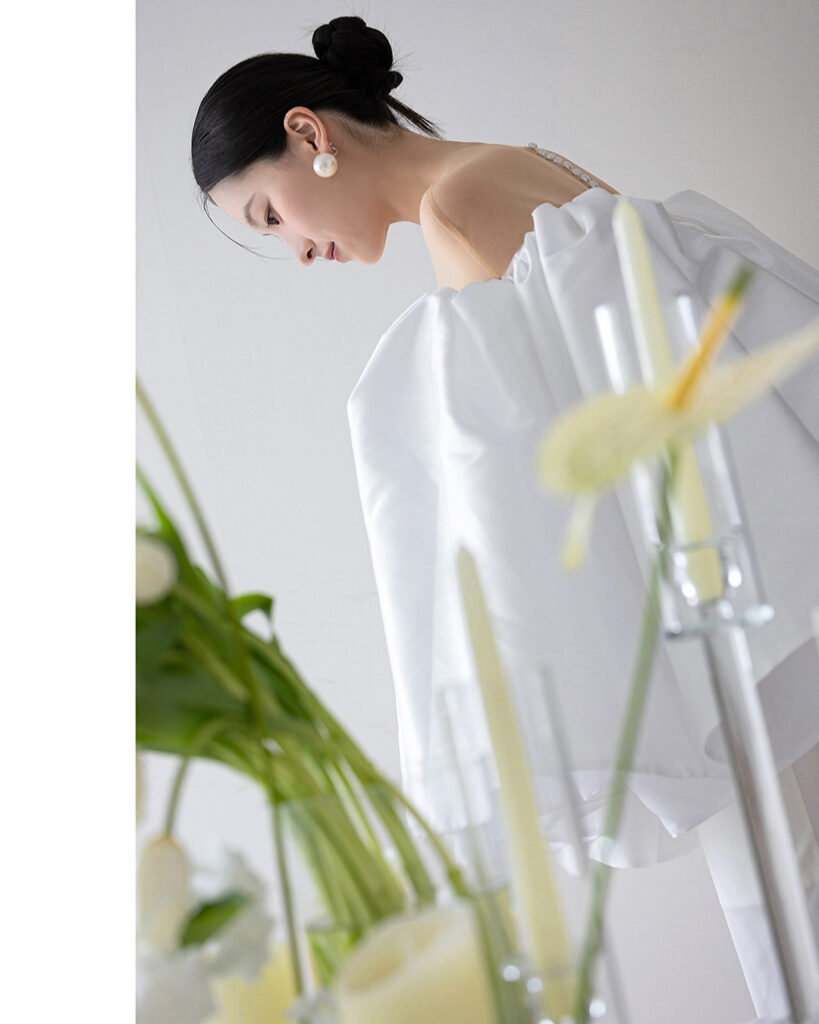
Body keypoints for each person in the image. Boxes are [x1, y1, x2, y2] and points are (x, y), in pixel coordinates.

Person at [191, 15, 819, 1017]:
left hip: (721, 639)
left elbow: (559, 493)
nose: (296, 251)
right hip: (761, 587)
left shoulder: (460, 214)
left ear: (309, 134)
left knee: (790, 912)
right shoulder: (523, 163)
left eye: (269, 215)